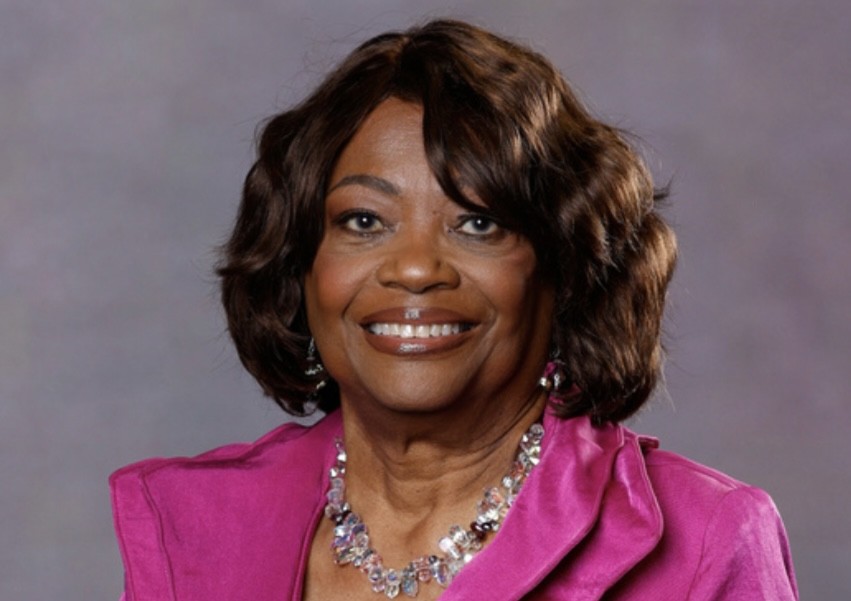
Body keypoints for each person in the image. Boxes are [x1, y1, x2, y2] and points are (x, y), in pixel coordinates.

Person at [109, 19, 798, 600]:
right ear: (301, 264)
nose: (414, 267)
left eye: (477, 223)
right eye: (363, 220)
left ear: (562, 268)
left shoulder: (704, 539)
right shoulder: (194, 532)